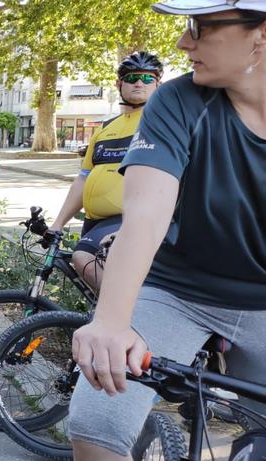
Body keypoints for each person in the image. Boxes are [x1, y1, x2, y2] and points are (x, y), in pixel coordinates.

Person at [69, 2, 266, 460]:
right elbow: (145, 213)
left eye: (200, 26)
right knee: (97, 422)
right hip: (177, 292)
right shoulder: (178, 100)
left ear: (261, 34)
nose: (183, 42)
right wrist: (111, 322)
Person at [47, 52, 163, 292]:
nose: (139, 82)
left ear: (158, 84)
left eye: (147, 78)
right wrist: (58, 223)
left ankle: (129, 311)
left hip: (127, 221)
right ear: (119, 83)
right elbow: (83, 179)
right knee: (92, 286)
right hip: (94, 222)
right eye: (131, 77)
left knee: (84, 258)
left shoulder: (160, 123)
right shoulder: (106, 128)